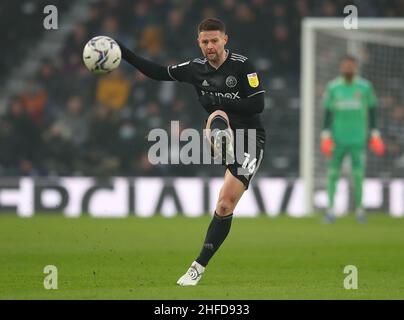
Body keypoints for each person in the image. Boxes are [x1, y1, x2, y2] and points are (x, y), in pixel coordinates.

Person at [116, 18, 266, 285]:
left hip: (250, 139)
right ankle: (221, 140)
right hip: (222, 127)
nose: (210, 46)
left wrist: (218, 99)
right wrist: (123, 52)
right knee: (217, 117)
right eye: (205, 41)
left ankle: (197, 266)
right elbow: (158, 72)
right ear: (199, 42)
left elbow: (258, 105)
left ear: (225, 40)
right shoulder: (195, 69)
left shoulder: (243, 66)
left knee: (224, 204)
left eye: (214, 41)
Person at [320, 56, 385, 224]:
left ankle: (360, 210)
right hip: (337, 139)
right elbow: (327, 113)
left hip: (358, 138)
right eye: (346, 66)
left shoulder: (364, 87)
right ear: (341, 68)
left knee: (358, 175)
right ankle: (330, 210)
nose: (348, 68)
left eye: (351, 66)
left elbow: (372, 111)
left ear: (356, 68)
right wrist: (325, 135)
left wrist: (375, 133)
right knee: (333, 173)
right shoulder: (333, 87)